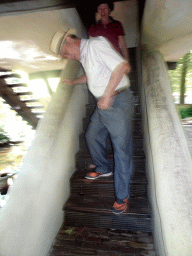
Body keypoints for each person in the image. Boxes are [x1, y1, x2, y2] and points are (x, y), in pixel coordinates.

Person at [50, 29, 133, 214]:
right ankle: (103, 168)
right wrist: (73, 82)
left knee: (121, 151)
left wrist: (108, 94)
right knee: (92, 135)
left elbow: (122, 67)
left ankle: (122, 196)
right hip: (103, 104)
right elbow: (92, 76)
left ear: (71, 41)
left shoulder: (96, 44)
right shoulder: (85, 56)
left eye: (65, 52)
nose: (67, 57)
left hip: (116, 102)